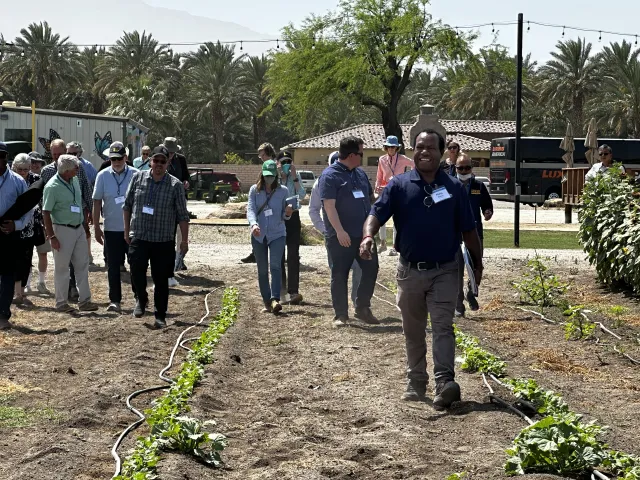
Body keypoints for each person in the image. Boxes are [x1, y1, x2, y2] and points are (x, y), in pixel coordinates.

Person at [360, 129, 483, 408]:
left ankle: (444, 383)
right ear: (412, 151)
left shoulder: (453, 188)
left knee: (442, 327)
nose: (424, 151)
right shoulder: (399, 185)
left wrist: (477, 263)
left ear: (442, 154)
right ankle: (416, 381)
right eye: (419, 147)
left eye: (430, 147)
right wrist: (368, 236)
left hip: (446, 270)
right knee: (413, 330)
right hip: (410, 272)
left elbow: (469, 230)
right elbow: (376, 214)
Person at [123, 145, 190, 328]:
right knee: (136, 271)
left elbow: (183, 215)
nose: (159, 164)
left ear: (168, 163)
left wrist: (184, 241)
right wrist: (126, 230)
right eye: (156, 160)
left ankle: (160, 315)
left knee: (161, 279)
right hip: (139, 235)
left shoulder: (175, 185)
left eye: (163, 161)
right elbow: (127, 205)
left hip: (163, 240)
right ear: (150, 161)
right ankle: (141, 299)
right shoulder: (138, 178)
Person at [319, 136, 379, 326]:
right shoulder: (330, 176)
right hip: (341, 236)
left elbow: (371, 198)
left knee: (371, 268)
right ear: (352, 155)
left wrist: (389, 192)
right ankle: (341, 315)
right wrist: (339, 231)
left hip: (363, 236)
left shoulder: (359, 174)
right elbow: (329, 206)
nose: (363, 157)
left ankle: (362, 307)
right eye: (361, 153)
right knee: (340, 274)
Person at [42, 155, 98, 313]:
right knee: (62, 268)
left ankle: (85, 300)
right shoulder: (52, 187)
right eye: (76, 167)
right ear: (66, 170)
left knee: (82, 264)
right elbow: (46, 212)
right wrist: (52, 236)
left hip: (78, 228)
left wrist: (84, 226)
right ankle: (61, 303)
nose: (78, 169)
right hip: (62, 229)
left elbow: (78, 203)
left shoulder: (74, 180)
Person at [310, 151, 362, 307]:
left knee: (359, 267)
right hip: (333, 236)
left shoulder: (353, 180)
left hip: (353, 234)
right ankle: (340, 308)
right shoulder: (320, 182)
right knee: (338, 272)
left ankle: (356, 301)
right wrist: (325, 229)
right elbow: (313, 210)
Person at [93, 143, 138, 313]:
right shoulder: (102, 176)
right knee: (112, 266)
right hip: (111, 229)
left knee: (135, 265)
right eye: (113, 159)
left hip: (133, 229)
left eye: (119, 158)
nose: (116, 161)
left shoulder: (136, 174)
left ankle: (139, 298)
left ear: (125, 158)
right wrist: (96, 227)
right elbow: (97, 201)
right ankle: (115, 301)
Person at [247, 160, 294, 313]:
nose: (269, 179)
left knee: (275, 266)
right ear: (262, 174)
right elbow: (251, 209)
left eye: (272, 176)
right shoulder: (254, 190)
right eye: (267, 176)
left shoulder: (283, 191)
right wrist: (253, 224)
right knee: (262, 269)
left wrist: (287, 213)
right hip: (259, 235)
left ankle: (275, 299)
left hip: (277, 234)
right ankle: (267, 301)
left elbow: (284, 214)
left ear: (276, 176)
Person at [454, 155, 493, 316]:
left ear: (472, 168)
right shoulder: (450, 186)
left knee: (478, 267)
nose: (464, 171)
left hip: (475, 233)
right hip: (455, 234)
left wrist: (488, 212)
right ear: (455, 168)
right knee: (456, 269)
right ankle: (458, 303)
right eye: (460, 168)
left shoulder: (479, 186)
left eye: (467, 168)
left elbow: (487, 205)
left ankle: (472, 292)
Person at [0, 142, 32, 329]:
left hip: (9, 234)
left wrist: (16, 225)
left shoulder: (18, 181)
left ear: (6, 158)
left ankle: (3, 313)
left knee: (7, 275)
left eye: (1, 156)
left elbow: (27, 209)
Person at [11, 154, 45, 304]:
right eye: (20, 169)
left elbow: (40, 201)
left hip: (31, 225)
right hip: (13, 224)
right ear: (14, 167)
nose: (23, 172)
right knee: (13, 259)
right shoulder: (10, 179)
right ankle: (14, 292)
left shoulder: (35, 180)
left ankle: (21, 292)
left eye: (26, 169)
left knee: (26, 259)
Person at [375, 135, 414, 256]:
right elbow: (379, 175)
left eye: (393, 147)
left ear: (397, 148)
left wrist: (408, 179)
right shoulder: (382, 159)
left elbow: (414, 165)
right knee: (381, 216)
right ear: (386, 148)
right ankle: (382, 243)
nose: (391, 149)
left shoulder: (402, 159)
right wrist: (377, 189)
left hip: (399, 190)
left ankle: (394, 246)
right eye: (389, 147)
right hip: (385, 190)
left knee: (397, 218)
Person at [276, 150, 306, 304]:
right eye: (283, 162)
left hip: (293, 217)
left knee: (293, 255)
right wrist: (280, 176)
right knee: (279, 255)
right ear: (278, 164)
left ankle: (293, 291)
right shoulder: (273, 176)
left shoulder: (296, 175)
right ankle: (282, 292)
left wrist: (294, 177)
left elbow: (301, 195)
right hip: (279, 219)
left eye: (289, 162)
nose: (286, 165)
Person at [241, 142, 277, 264]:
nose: (261, 158)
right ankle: (255, 253)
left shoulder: (274, 169)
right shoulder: (264, 169)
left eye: (262, 155)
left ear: (268, 154)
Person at [163, 137, 189, 285]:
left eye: (173, 152)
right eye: (169, 152)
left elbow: (185, 175)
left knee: (181, 230)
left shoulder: (181, 159)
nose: (171, 155)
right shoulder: (159, 157)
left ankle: (179, 259)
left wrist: (186, 182)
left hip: (179, 197)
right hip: (164, 198)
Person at [67, 141, 98, 265]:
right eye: (69, 153)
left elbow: (92, 184)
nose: (72, 156)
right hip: (66, 204)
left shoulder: (87, 166)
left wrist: (92, 209)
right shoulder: (62, 164)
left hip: (82, 204)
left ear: (80, 153)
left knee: (85, 229)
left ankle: (88, 253)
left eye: (75, 153)